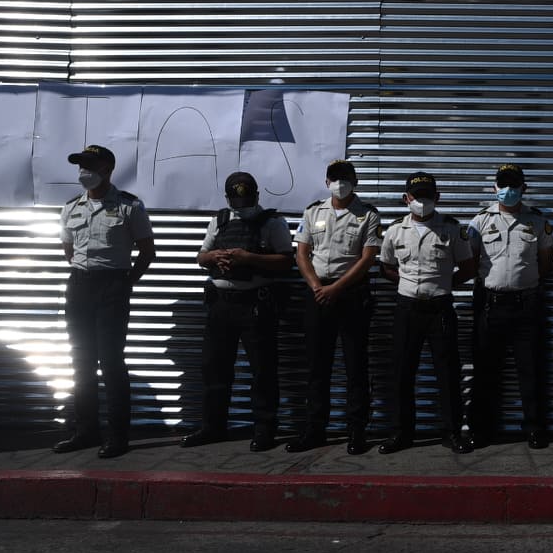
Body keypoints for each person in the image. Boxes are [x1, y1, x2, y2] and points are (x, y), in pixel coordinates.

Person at [55, 145, 156, 459]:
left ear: (108, 169)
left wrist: (125, 283)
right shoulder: (71, 207)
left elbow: (147, 252)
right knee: (81, 361)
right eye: (81, 166)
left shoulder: (129, 206)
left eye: (90, 165)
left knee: (110, 362)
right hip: (79, 286)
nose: (84, 171)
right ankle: (85, 431)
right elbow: (69, 251)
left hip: (113, 286)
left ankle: (117, 436)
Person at [183, 172, 293, 452]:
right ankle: (213, 427)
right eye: (236, 198)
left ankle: (265, 429)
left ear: (256, 196)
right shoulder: (219, 220)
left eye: (246, 198)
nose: (241, 203)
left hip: (255, 304)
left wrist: (249, 258)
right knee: (214, 368)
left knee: (262, 371)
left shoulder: (272, 223)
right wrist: (213, 257)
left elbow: (285, 262)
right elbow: (201, 256)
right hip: (220, 304)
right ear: (228, 198)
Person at [286, 159, 382, 455]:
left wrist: (335, 289)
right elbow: (302, 253)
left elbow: (367, 259)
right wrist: (317, 287)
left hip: (351, 295)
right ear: (327, 182)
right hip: (318, 296)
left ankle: (356, 431)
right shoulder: (313, 211)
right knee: (318, 367)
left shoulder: (368, 215)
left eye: (346, 178)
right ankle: (314, 429)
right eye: (335, 178)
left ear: (356, 181)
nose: (340, 184)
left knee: (356, 366)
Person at [378, 172, 475, 454]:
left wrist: (443, 285)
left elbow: (468, 268)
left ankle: (453, 433)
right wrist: (410, 285)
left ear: (437, 197)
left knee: (447, 372)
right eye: (416, 196)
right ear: (406, 198)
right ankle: (401, 433)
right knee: (402, 373)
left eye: (427, 196)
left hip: (440, 310)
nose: (422, 201)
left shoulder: (452, 229)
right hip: (407, 308)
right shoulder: (395, 230)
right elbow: (386, 266)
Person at [467, 163, 553, 449]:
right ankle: (481, 429)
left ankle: (535, 428)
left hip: (525, 304)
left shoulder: (538, 222)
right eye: (502, 184)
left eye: (514, 185)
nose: (508, 190)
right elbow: (471, 261)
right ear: (494, 188)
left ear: (523, 188)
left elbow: (544, 264)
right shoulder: (478, 222)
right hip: (490, 305)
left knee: (530, 369)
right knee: (485, 370)